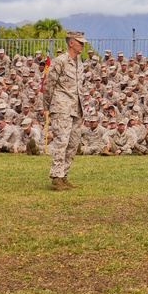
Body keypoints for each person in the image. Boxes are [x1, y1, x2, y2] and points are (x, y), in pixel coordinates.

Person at [42, 31, 88, 191]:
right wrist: (47, 106)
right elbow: (48, 84)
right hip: (61, 107)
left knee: (73, 143)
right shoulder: (60, 61)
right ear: (71, 43)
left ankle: (64, 175)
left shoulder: (79, 62)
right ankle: (56, 177)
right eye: (79, 42)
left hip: (76, 107)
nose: (82, 45)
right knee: (61, 141)